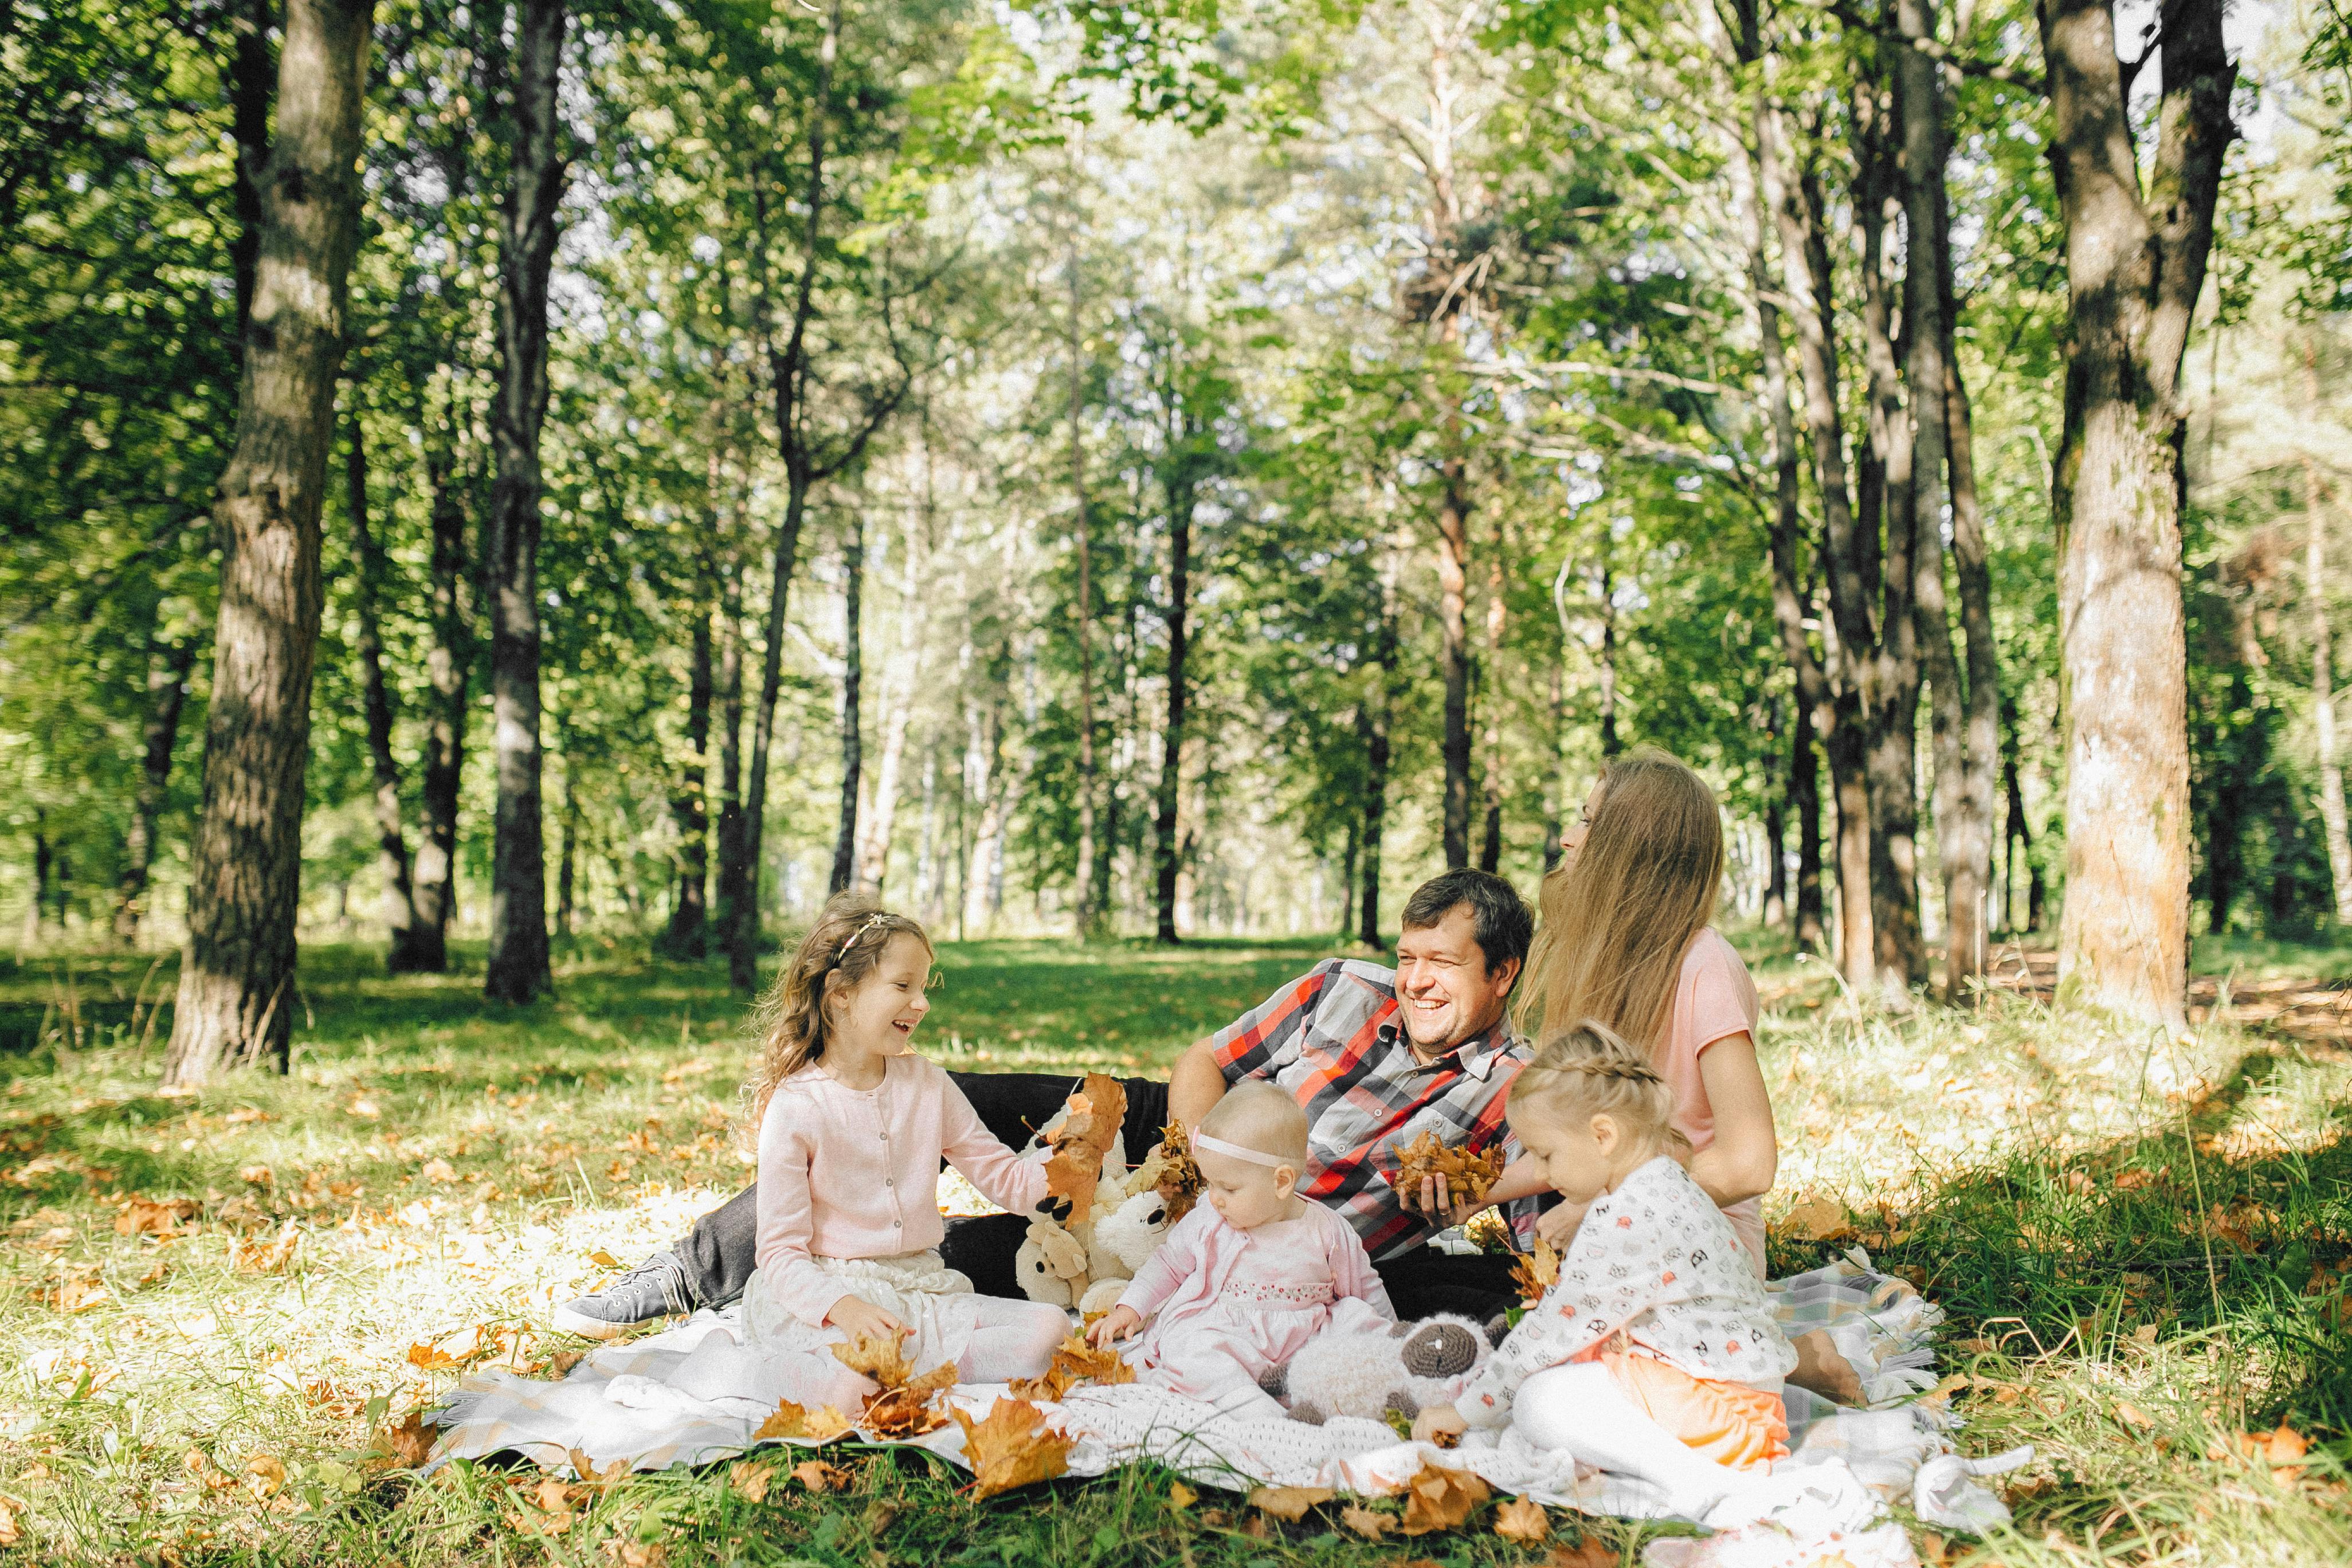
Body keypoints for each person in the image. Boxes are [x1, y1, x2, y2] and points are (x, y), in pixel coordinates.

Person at [555, 867, 1539, 1337]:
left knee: (960, 1255)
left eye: (1440, 964)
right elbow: (1209, 1056)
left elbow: (1544, 1230)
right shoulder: (1344, 986)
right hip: (1189, 1139)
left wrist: (1460, 1213)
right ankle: (690, 1269)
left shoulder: (1513, 1090)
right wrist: (1193, 1146)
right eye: (1407, 955)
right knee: (949, 1099)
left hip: (1258, 1229)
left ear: (1501, 973)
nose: (1412, 979)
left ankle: (849, 1282)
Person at [1410, 1021, 1797, 1523]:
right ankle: (1681, 1466)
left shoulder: (1626, 1218)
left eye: (1546, 1156)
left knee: (1539, 1401)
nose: (1542, 1175)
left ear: (1603, 1135)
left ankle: (1698, 1481)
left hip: (1726, 1417)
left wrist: (1464, 1411)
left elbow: (1549, 1334)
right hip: (1737, 1404)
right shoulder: (1662, 1185)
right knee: (1562, 1376)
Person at [727, 896, 1069, 1406]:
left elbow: (1006, 1179)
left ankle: (912, 1370)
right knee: (856, 1387)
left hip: (919, 1288)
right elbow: (779, 1251)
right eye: (904, 986)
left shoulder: (929, 1085)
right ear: (841, 993)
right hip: (826, 1293)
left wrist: (1070, 1164)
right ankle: (743, 1372)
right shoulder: (797, 1107)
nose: (922, 1003)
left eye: (924, 988)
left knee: (1052, 1330)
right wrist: (841, 1306)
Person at [1513, 747, 1779, 1273]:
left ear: (1631, 848)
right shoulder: (1604, 961)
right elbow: (1581, 1138)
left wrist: (1604, 1210)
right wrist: (1474, 1196)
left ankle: (1809, 1354)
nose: (1568, 837)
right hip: (1613, 1241)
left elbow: (1750, 1164)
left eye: (1588, 821)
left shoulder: (1707, 965)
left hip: (1701, 1250)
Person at [1087, 1085, 1393, 1421]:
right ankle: (1255, 1411)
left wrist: (1387, 1336)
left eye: (1228, 1188)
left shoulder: (1328, 1231)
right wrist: (1131, 1308)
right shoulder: (1211, 1218)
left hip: (1304, 1342)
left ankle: (1383, 1373)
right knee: (1193, 1350)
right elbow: (1169, 1264)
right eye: (1211, 1183)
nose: (1215, 1197)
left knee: (1354, 1317)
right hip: (1226, 1334)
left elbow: (1365, 1290)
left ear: (1281, 1182)